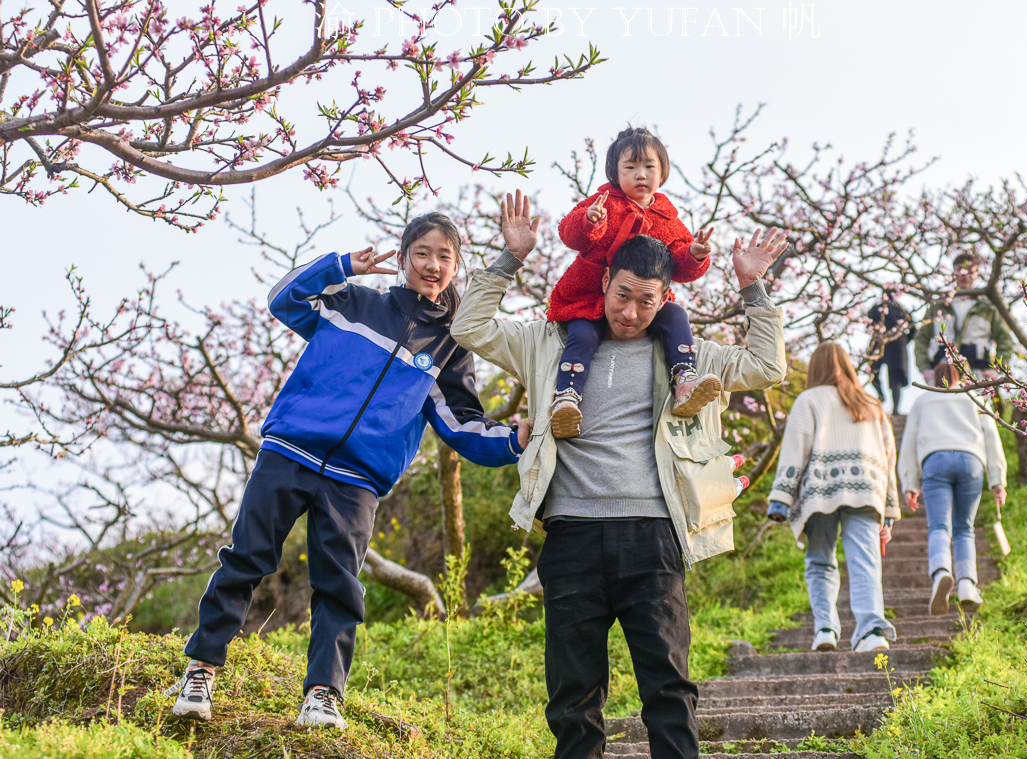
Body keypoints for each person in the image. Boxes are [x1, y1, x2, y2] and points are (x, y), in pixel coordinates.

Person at [451, 189, 788, 759]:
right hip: (572, 538)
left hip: (653, 537)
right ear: (604, 282)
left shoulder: (689, 359)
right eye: (622, 295)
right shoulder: (548, 343)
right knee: (571, 695)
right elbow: (470, 326)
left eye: (647, 302)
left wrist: (752, 286)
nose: (630, 313)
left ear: (666, 299)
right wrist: (510, 259)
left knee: (668, 688)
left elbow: (767, 365)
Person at [167, 212, 532, 728]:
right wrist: (341, 266)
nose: (432, 265)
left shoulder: (448, 347)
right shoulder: (350, 303)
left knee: (339, 584)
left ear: (456, 267)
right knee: (246, 558)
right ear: (403, 258)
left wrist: (514, 439)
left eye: (444, 257)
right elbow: (283, 299)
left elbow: (461, 424)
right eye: (421, 253)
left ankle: (322, 695)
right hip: (290, 452)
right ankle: (200, 670)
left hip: (357, 479)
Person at [548, 127, 720, 439]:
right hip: (588, 296)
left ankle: (684, 380)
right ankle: (566, 399)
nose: (640, 175)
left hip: (641, 303)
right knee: (583, 337)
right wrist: (591, 221)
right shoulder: (604, 202)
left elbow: (678, 265)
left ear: (662, 171)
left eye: (649, 167)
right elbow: (568, 233)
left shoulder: (667, 218)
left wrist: (694, 254)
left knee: (676, 317)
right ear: (615, 173)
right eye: (630, 168)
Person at [765, 343, 900, 653]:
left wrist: (781, 498)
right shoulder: (871, 403)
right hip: (866, 492)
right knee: (865, 562)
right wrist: (889, 508)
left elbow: (795, 449)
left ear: (815, 368)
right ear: (847, 365)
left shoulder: (808, 400)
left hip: (820, 493)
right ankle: (871, 633)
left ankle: (825, 628)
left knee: (820, 561)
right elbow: (888, 456)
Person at [899, 360, 1007, 614]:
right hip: (971, 462)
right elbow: (991, 436)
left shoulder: (923, 400)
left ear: (933, 378)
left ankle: (940, 574)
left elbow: (909, 441)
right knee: (964, 529)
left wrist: (909, 483)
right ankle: (968, 585)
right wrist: (997, 481)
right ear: (960, 375)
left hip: (935, 460)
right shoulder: (974, 396)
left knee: (939, 526)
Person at [914, 252, 1014, 385]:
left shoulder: (987, 308)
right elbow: (921, 338)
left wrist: (996, 371)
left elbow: (1004, 339)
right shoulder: (938, 306)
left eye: (969, 271)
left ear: (977, 274)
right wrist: (925, 368)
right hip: (941, 372)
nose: (964, 274)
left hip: (977, 373)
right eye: (960, 270)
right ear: (954, 273)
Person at [867, 289, 913, 413]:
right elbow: (913, 328)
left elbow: (868, 324)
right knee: (894, 378)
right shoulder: (901, 310)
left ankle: (885, 398)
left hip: (884, 343)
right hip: (895, 345)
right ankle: (894, 407)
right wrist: (904, 340)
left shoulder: (877, 308)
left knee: (875, 372)